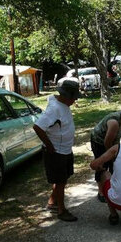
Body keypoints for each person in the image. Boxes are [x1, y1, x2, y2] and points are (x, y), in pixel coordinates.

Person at [33, 79, 80, 222]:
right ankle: (61, 210)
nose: (74, 100)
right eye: (73, 97)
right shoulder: (55, 109)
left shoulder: (62, 104)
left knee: (62, 179)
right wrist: (49, 146)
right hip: (56, 152)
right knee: (60, 181)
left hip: (65, 149)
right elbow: (38, 127)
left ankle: (52, 202)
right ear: (66, 96)